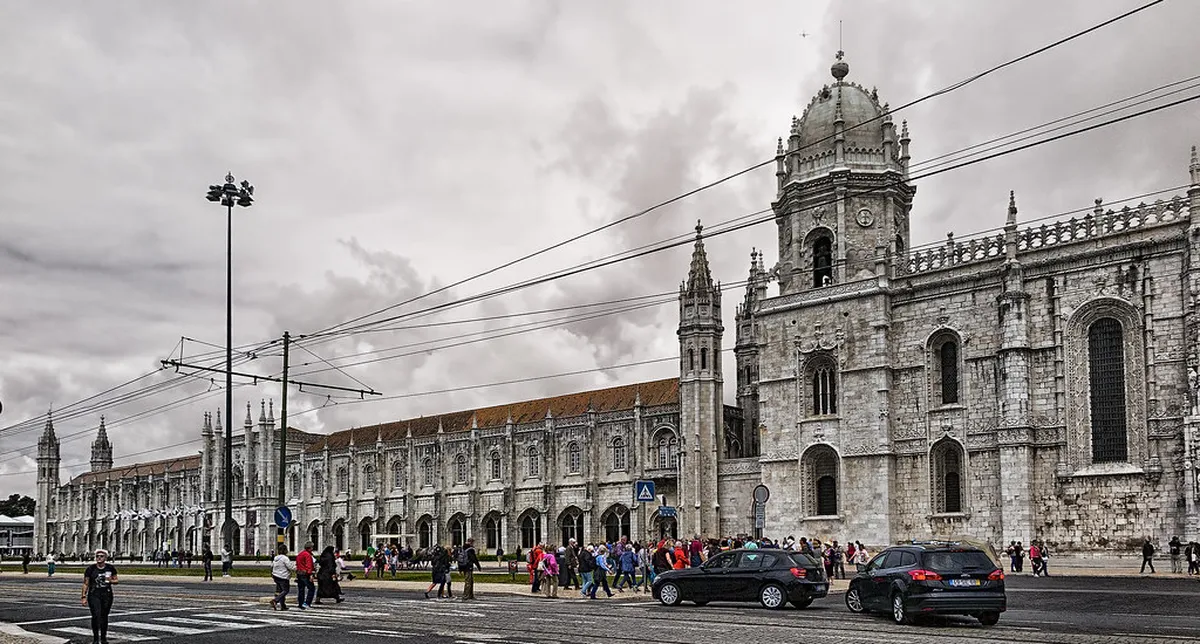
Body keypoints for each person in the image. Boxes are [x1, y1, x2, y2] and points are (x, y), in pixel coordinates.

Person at [81, 549, 119, 644]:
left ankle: (103, 638)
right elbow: (86, 583)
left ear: (105, 558)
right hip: (94, 594)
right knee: (96, 616)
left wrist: (110, 580)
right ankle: (95, 639)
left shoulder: (110, 568)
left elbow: (116, 581)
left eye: (101, 556)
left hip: (107, 594)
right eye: (97, 556)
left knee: (104, 616)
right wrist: (83, 596)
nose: (99, 558)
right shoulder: (91, 569)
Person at [270, 544, 295, 611]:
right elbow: (290, 567)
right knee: (285, 590)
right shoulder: (285, 558)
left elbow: (272, 566)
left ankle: (283, 606)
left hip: (276, 576)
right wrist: (297, 568)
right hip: (283, 577)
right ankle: (275, 600)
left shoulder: (276, 558)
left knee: (280, 591)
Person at [295, 542, 316, 609]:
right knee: (311, 588)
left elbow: (297, 564)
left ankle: (300, 603)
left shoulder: (300, 554)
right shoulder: (307, 555)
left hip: (299, 573)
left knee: (301, 589)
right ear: (310, 548)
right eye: (312, 547)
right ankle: (307, 603)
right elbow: (309, 566)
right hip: (305, 574)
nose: (312, 549)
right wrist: (311, 575)